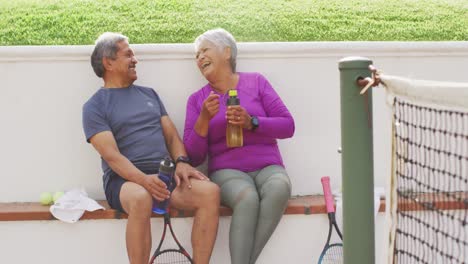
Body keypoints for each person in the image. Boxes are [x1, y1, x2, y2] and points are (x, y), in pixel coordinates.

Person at [82, 32, 220, 264]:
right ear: (108, 63)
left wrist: (182, 162)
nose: (135, 59)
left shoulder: (150, 95)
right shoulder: (94, 106)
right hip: (124, 181)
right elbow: (112, 157)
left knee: (210, 192)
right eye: (128, 54)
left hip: (164, 176)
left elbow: (172, 136)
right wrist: (145, 181)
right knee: (141, 198)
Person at [183, 28, 295, 264]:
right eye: (196, 55)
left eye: (205, 50)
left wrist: (252, 122)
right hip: (227, 171)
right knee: (247, 198)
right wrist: (203, 118)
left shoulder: (256, 82)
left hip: (267, 165)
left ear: (226, 52)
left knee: (279, 189)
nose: (199, 58)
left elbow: (288, 126)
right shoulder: (197, 100)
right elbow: (193, 156)